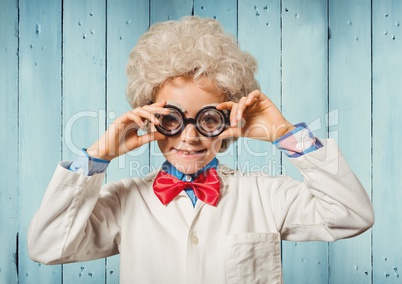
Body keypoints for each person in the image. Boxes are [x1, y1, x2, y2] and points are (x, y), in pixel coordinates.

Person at [28, 16, 374, 284]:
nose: (190, 137)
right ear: (149, 119)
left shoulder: (265, 194)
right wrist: (97, 156)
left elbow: (351, 216)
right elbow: (48, 246)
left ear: (229, 119)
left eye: (208, 120)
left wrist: (286, 135)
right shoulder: (123, 200)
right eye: (171, 118)